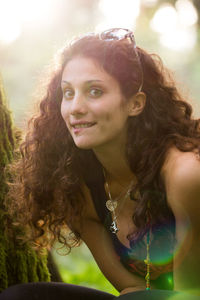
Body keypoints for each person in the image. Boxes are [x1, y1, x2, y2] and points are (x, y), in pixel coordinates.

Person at [2, 28, 200, 299]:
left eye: (94, 91)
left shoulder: (185, 175)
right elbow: (131, 288)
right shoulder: (78, 185)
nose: (75, 108)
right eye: (68, 93)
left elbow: (190, 293)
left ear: (135, 104)